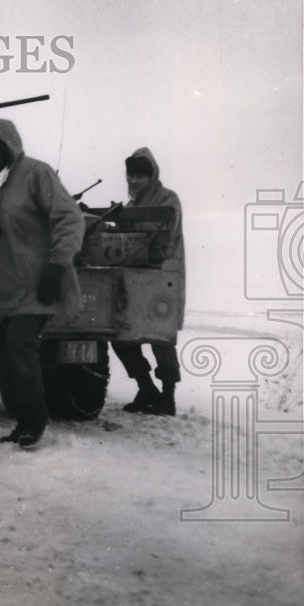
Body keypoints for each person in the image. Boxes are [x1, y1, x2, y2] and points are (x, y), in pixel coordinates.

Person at [0, 119, 85, 449]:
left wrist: (58, 264)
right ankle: (22, 420)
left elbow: (70, 217)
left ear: (8, 145)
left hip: (37, 285)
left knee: (20, 349)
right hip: (2, 289)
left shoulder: (36, 173)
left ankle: (35, 422)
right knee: (5, 358)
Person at [110, 148, 185, 416]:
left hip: (161, 278)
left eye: (140, 175)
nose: (134, 181)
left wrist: (132, 226)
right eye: (131, 175)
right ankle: (146, 388)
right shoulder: (130, 206)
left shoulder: (168, 200)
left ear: (151, 175)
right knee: (121, 336)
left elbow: (166, 231)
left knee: (161, 339)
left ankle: (167, 397)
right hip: (132, 280)